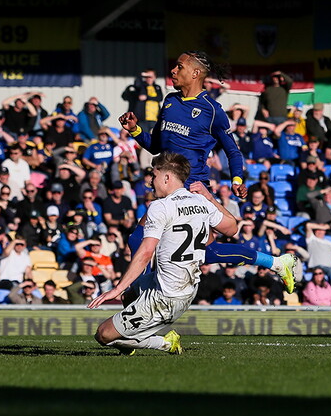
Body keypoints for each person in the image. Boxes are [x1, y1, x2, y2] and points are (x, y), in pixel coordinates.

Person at [118, 50, 295, 292]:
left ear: (195, 73)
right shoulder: (170, 101)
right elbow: (157, 145)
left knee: (141, 240)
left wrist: (236, 180)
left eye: (179, 67)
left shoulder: (212, 110)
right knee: (205, 252)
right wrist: (135, 130)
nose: (173, 71)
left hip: (191, 189)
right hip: (168, 186)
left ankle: (141, 294)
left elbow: (233, 151)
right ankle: (277, 263)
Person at [88, 152, 240, 355]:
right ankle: (131, 337)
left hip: (166, 297)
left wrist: (116, 288)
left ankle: (165, 343)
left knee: (103, 334)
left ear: (167, 177)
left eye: (154, 175)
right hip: (183, 286)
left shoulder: (160, 206)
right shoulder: (201, 202)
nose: (150, 181)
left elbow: (146, 252)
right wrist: (211, 198)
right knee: (129, 295)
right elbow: (232, 228)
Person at [122, 69, 163, 136]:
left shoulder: (157, 87)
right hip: (143, 119)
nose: (149, 78)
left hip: (155, 118)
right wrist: (142, 75)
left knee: (155, 137)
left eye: (150, 77)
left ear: (154, 77)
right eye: (147, 77)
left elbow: (160, 98)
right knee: (144, 136)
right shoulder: (142, 87)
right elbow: (137, 83)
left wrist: (147, 97)